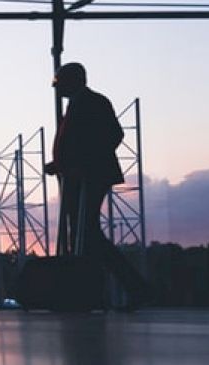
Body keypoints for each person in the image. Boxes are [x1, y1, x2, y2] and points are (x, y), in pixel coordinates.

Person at [48, 62, 152, 309]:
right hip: (77, 176)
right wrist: (60, 163)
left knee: (86, 232)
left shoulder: (93, 102)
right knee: (84, 233)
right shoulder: (76, 105)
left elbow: (112, 135)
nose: (57, 88)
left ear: (74, 80)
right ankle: (98, 290)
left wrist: (83, 162)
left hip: (90, 177)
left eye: (61, 82)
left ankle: (128, 287)